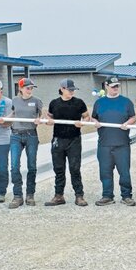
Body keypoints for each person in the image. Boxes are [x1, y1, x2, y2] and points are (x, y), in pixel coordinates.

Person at [45, 79, 91, 207]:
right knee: (59, 169)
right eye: (69, 89)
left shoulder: (79, 103)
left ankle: (79, 196)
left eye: (73, 90)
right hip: (58, 139)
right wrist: (49, 120)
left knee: (75, 168)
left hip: (74, 139)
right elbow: (49, 116)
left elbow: (87, 116)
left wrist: (83, 123)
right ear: (62, 89)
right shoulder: (54, 103)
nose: (71, 92)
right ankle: (59, 196)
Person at [92, 77, 136, 206]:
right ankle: (107, 196)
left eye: (117, 86)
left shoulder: (126, 102)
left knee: (124, 171)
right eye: (113, 86)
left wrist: (128, 123)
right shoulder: (99, 103)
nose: (115, 88)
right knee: (105, 171)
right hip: (104, 143)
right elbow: (93, 117)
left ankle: (126, 196)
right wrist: (95, 122)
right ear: (106, 86)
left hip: (122, 144)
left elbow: (133, 117)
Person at [9, 78, 43, 208]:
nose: (30, 90)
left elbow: (41, 116)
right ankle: (17, 196)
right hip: (16, 135)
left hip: (31, 135)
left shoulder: (37, 101)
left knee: (32, 166)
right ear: (21, 88)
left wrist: (39, 120)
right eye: (27, 88)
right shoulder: (14, 100)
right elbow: (12, 113)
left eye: (31, 88)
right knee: (14, 165)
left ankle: (30, 194)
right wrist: (4, 119)